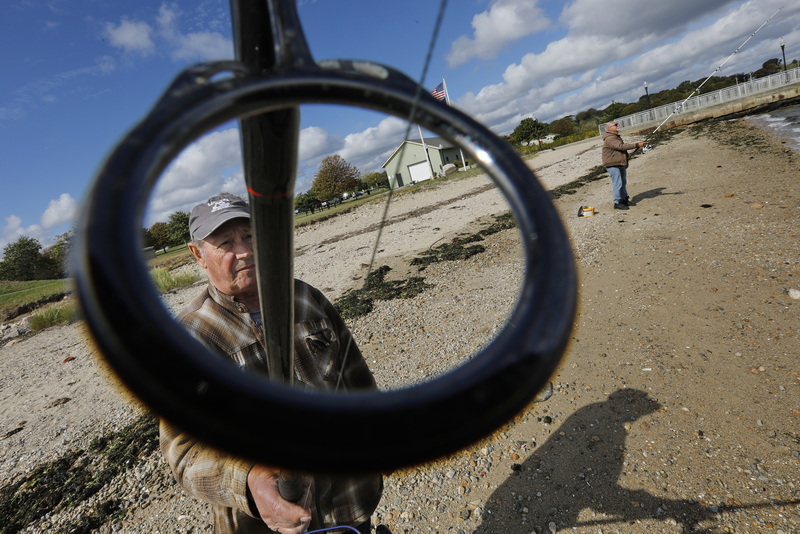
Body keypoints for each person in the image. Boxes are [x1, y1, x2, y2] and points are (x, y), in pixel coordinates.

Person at [159, 194, 383, 534]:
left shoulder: (306, 298)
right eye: (225, 243)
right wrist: (248, 478)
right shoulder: (188, 338)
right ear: (198, 255)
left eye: (251, 236)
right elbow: (183, 454)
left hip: (348, 501)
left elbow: (356, 378)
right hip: (267, 524)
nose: (245, 251)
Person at [601, 121, 646, 210]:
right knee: (618, 183)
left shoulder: (615, 137)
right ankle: (617, 202)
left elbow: (622, 151)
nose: (618, 126)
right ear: (610, 128)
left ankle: (624, 200)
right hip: (612, 164)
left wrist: (625, 162)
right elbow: (621, 147)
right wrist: (637, 144)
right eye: (616, 125)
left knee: (623, 182)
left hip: (619, 162)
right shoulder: (610, 138)